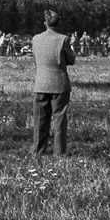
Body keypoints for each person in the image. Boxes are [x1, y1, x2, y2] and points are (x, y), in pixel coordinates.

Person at [31, 10, 75, 156]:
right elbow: (72, 60)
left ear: (45, 23)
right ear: (58, 23)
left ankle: (38, 151)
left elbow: (36, 58)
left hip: (41, 83)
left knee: (40, 120)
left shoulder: (35, 39)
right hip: (59, 85)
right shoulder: (63, 39)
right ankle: (59, 153)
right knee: (59, 120)